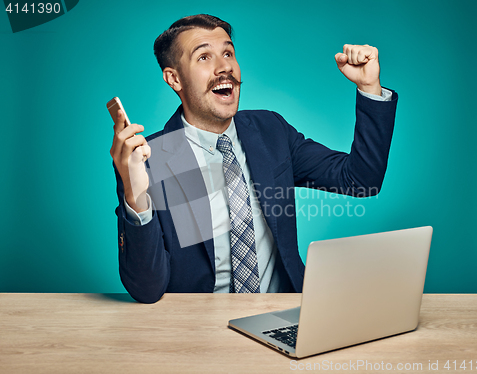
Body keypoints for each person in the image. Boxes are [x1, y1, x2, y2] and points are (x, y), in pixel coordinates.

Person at [110, 14, 398, 303]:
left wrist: (369, 87)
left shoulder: (271, 131)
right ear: (174, 78)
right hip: (198, 331)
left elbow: (361, 180)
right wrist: (136, 196)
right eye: (204, 58)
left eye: (228, 53)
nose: (224, 67)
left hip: (282, 315)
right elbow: (147, 290)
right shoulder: (151, 158)